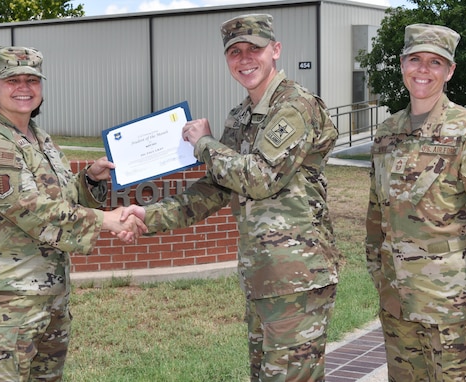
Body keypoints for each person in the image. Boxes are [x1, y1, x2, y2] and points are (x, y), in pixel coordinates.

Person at [120, 13, 339, 381]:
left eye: (254, 48)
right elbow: (215, 189)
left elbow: (259, 178)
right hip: (262, 275)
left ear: (276, 50)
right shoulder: (241, 116)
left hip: (297, 277)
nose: (244, 58)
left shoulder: (295, 105)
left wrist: (205, 143)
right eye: (234, 52)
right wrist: (149, 216)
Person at [0, 46, 145, 381]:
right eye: (12, 79)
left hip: (46, 295)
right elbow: (30, 210)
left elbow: (60, 196)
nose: (24, 86)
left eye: (32, 79)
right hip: (4, 302)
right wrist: (106, 220)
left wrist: (89, 178)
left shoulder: (37, 137)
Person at [365, 23, 466, 381]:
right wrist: (377, 268)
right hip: (398, 297)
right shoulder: (388, 133)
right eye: (415, 59)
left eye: (435, 62)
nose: (423, 70)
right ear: (402, 64)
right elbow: (377, 210)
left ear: (449, 71)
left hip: (452, 301)